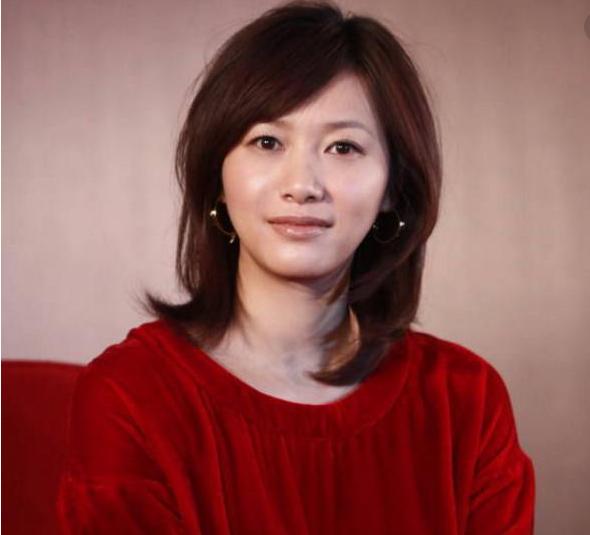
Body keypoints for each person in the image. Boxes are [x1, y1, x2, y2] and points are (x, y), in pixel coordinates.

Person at [56, 1, 536, 533]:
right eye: (267, 142)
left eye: (343, 147)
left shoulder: (465, 400)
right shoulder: (131, 395)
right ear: (218, 175)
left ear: (393, 189)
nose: (302, 184)